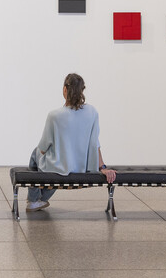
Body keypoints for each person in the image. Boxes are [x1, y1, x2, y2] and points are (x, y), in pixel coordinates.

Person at [26, 73, 116, 212]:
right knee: (59, 165)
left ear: (65, 89)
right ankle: (41, 200)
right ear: (82, 91)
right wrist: (102, 167)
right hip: (79, 168)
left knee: (36, 154)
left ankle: (34, 200)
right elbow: (95, 143)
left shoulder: (54, 115)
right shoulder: (92, 112)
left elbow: (43, 148)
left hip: (60, 168)